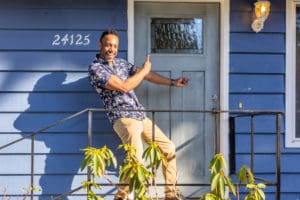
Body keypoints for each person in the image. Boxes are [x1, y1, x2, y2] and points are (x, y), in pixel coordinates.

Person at [88, 29, 190, 200]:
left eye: (114, 46)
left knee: (168, 148)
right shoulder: (95, 68)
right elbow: (124, 87)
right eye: (108, 45)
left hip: (140, 115)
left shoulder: (121, 64)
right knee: (136, 159)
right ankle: (121, 197)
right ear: (100, 45)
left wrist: (172, 82)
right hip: (123, 117)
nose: (111, 49)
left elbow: (147, 76)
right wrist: (143, 70)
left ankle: (171, 194)